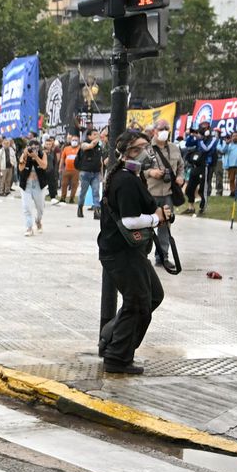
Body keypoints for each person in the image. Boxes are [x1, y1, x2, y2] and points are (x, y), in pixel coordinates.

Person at [97, 130, 166, 375]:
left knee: (153, 296)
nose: (149, 151)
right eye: (143, 146)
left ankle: (112, 337)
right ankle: (117, 357)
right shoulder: (124, 180)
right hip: (120, 252)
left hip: (132, 252)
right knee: (137, 302)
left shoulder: (131, 176)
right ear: (132, 152)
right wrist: (156, 219)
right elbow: (129, 221)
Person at [142, 119, 184, 270]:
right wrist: (151, 172)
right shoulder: (146, 148)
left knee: (165, 225)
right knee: (146, 224)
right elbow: (139, 168)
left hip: (168, 192)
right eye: (161, 128)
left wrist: (181, 177)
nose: (164, 131)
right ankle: (142, 254)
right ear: (154, 131)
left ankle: (162, 256)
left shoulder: (174, 148)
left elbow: (181, 166)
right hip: (150, 192)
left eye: (167, 128)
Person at [183, 124, 219, 215]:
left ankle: (203, 208)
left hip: (205, 166)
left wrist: (200, 139)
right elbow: (188, 144)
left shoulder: (213, 139)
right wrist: (191, 136)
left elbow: (206, 149)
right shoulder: (199, 139)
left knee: (203, 189)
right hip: (196, 166)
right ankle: (191, 208)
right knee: (189, 189)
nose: (197, 134)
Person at [18, 135, 48, 235]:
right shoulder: (25, 154)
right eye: (32, 148)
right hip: (26, 184)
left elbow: (44, 166)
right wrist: (25, 156)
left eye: (36, 148)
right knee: (26, 207)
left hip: (39, 184)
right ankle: (29, 227)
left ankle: (38, 221)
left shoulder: (42, 154)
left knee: (40, 208)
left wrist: (36, 157)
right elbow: (21, 168)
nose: (34, 150)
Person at [75, 127, 104, 218]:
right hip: (85, 172)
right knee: (83, 192)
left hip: (95, 172)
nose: (96, 136)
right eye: (94, 134)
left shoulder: (99, 147)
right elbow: (90, 146)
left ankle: (96, 211)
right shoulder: (84, 144)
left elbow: (101, 161)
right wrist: (98, 138)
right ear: (89, 136)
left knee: (96, 192)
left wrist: (101, 174)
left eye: (97, 134)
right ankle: (80, 207)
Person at [59, 134, 80, 203]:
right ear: (70, 141)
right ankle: (63, 197)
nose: (74, 141)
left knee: (74, 185)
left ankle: (72, 198)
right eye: (73, 140)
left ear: (78, 141)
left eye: (76, 140)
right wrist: (60, 167)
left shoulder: (80, 149)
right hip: (67, 169)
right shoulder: (66, 148)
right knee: (64, 184)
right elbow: (62, 159)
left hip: (76, 170)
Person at [42, 136, 61, 204]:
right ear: (44, 144)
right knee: (41, 185)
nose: (48, 145)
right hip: (43, 171)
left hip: (51, 170)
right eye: (47, 144)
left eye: (49, 144)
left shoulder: (53, 152)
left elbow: (55, 161)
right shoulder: (41, 152)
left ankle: (53, 198)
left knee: (52, 185)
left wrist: (55, 170)